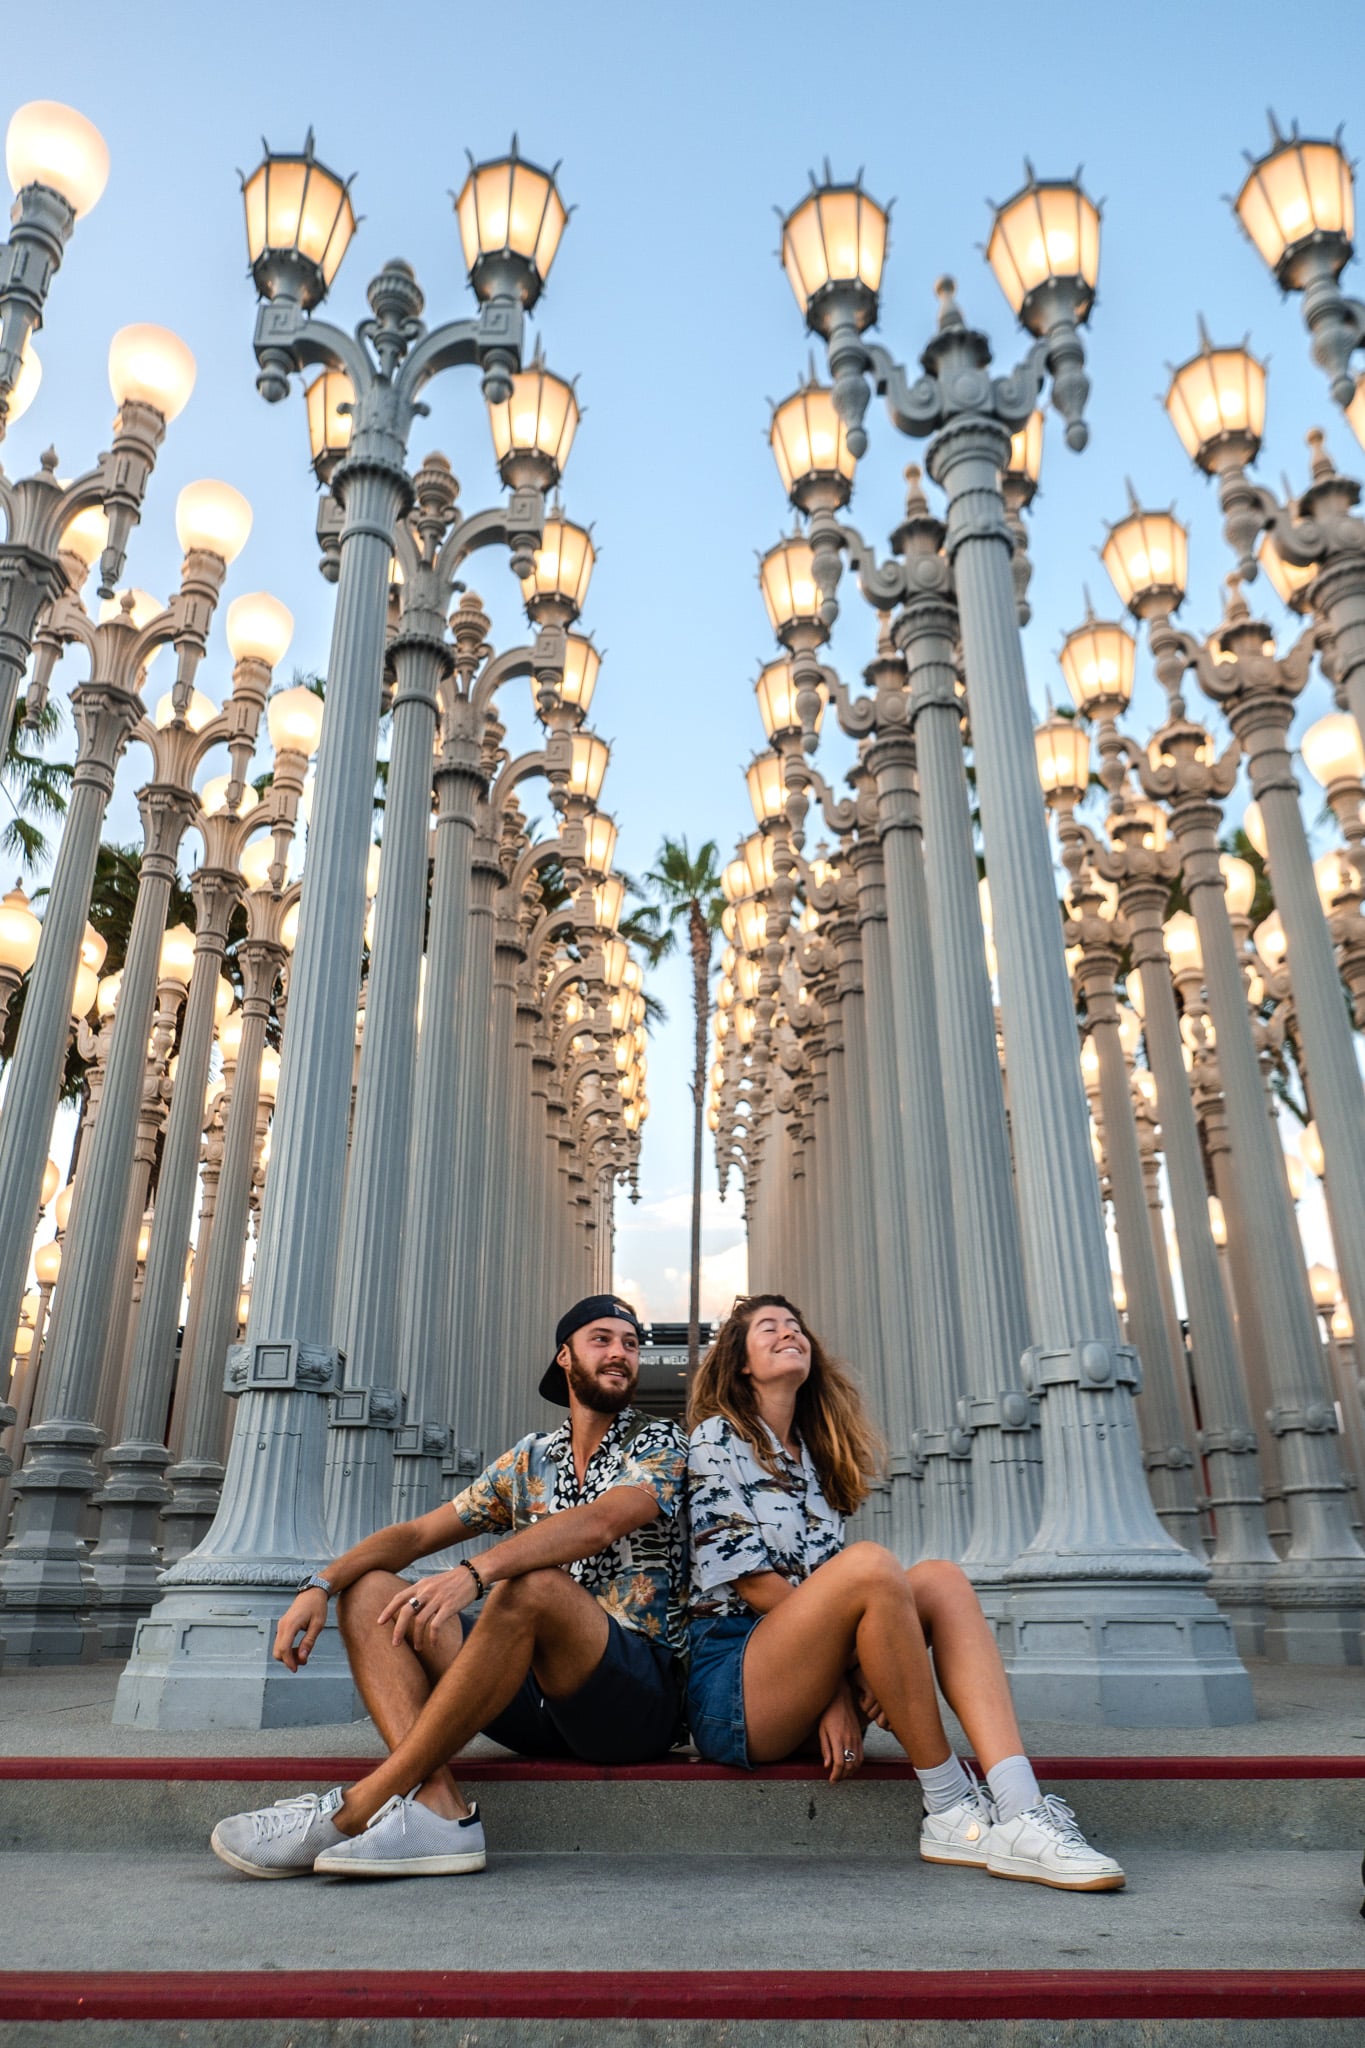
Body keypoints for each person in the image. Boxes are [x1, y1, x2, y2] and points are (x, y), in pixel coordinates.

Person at [211, 1294, 687, 1881]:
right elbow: (415, 1535)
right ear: (564, 1357)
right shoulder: (531, 1459)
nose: (620, 1353)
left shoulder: (661, 1441)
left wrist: (474, 1573)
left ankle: (355, 1808)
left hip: (631, 1700)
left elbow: (601, 1523)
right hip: (535, 1702)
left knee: (530, 1585)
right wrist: (321, 1584)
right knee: (372, 1591)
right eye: (602, 1340)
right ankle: (439, 1810)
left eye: (631, 1344)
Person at [685, 1293, 1125, 1892]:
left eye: (796, 1326)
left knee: (941, 1579)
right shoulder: (716, 1439)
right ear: (739, 1360)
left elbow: (831, 1604)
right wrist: (844, 1683)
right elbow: (755, 1583)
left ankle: (1022, 1809)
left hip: (811, 1667)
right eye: (769, 1327)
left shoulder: (811, 1457)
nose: (789, 1333)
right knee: (869, 1567)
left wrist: (845, 1672)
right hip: (737, 1681)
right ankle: (946, 1805)